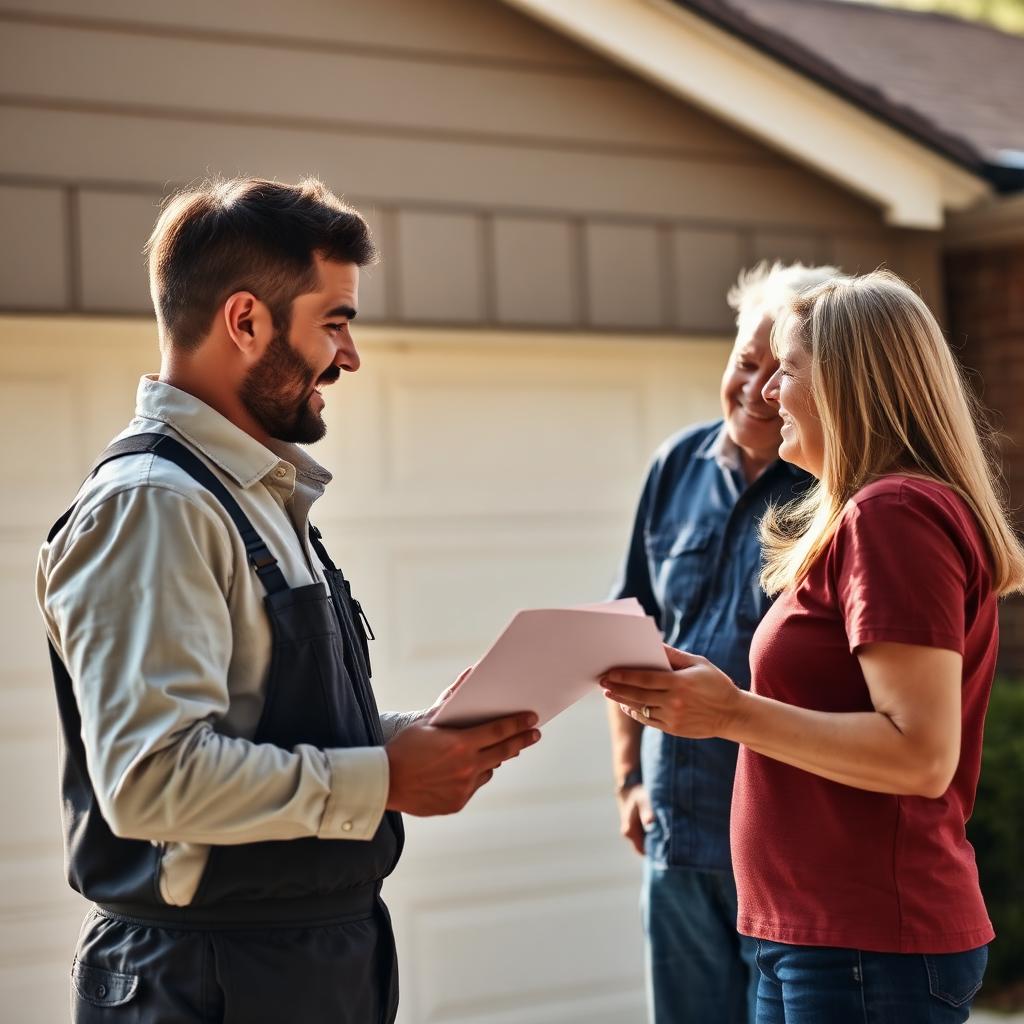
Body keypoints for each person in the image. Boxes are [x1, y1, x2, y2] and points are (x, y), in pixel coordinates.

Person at [36, 177, 541, 1024]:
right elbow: (150, 779)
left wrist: (406, 741)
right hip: (208, 979)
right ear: (246, 321)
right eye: (335, 322)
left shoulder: (256, 496)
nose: (349, 356)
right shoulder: (155, 505)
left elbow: (258, 722)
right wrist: (382, 777)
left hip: (303, 964)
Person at [601, 270, 1024, 1023]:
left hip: (865, 946)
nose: (766, 394)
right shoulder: (867, 510)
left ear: (844, 384)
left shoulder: (894, 513)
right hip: (820, 938)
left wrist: (729, 714)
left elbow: (921, 756)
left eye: (787, 370)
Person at [608, 261, 838, 1023]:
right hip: (678, 831)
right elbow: (627, 630)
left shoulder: (833, 489)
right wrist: (629, 780)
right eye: (746, 361)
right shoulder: (674, 465)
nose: (756, 388)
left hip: (788, 845)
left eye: (781, 372)